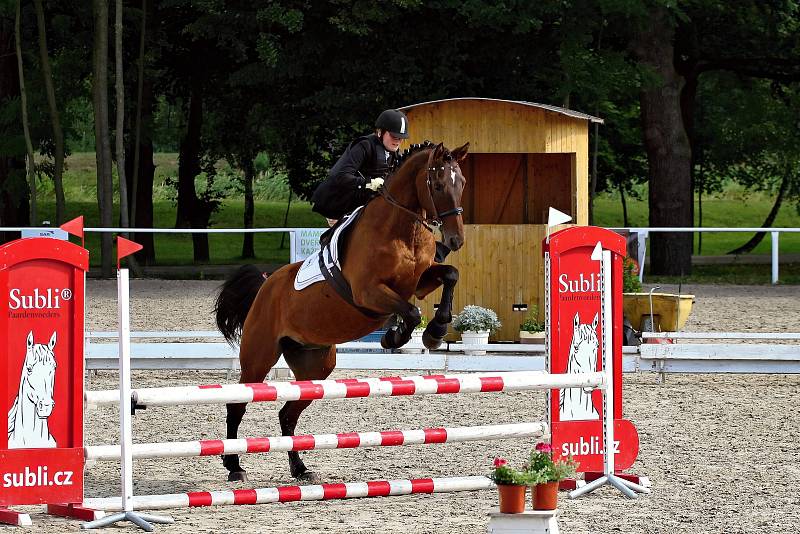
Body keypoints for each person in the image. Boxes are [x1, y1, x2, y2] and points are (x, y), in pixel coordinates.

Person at [311, 109, 409, 223]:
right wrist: (369, 183)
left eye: (401, 138)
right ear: (380, 132)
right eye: (394, 136)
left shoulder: (396, 153)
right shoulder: (363, 146)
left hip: (365, 203)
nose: (398, 141)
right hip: (340, 203)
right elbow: (341, 176)